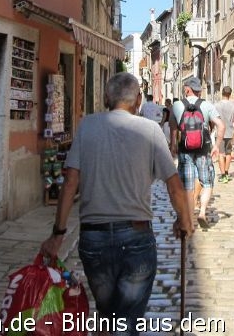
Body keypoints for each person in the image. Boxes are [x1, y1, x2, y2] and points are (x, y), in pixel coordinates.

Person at [40, 72, 193, 336]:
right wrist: (184, 220)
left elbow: (71, 182)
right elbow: (174, 184)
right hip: (136, 238)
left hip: (94, 240)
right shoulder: (150, 130)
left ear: (106, 98)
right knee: (127, 322)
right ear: (137, 102)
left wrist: (58, 234)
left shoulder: (87, 125)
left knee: (109, 316)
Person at [170, 76, 225, 229]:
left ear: (187, 89)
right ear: (198, 91)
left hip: (185, 149)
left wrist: (173, 144)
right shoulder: (207, 105)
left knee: (187, 184)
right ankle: (201, 211)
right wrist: (217, 145)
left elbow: (173, 127)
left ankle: (187, 215)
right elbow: (221, 125)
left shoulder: (177, 105)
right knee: (207, 182)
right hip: (204, 149)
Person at [214, 86, 234, 183]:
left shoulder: (216, 105)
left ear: (222, 93)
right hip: (230, 131)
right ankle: (227, 172)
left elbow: (214, 118)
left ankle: (223, 174)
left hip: (219, 132)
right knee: (228, 153)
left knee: (220, 154)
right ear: (230, 94)